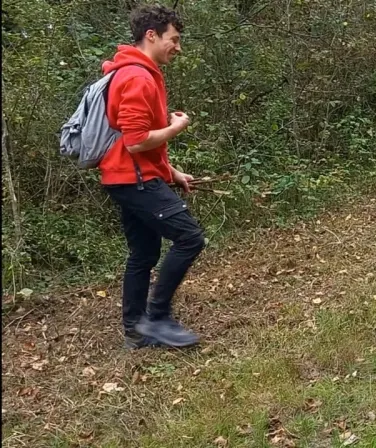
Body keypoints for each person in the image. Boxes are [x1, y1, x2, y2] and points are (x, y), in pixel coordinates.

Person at [100, 4, 202, 349]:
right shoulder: (137, 77)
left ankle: (135, 329)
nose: (178, 46)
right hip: (134, 178)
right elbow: (136, 141)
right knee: (190, 238)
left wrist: (172, 172)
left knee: (143, 253)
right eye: (173, 39)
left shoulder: (138, 72)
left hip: (129, 176)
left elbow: (142, 142)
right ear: (151, 35)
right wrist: (177, 127)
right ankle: (157, 318)